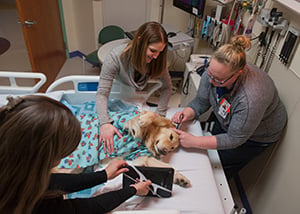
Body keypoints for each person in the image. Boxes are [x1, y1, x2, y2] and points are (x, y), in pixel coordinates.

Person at [0, 95, 151, 214]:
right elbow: (81, 208)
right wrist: (132, 190)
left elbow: (51, 182)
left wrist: (103, 175)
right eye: (60, 155)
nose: (60, 161)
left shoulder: (14, 166)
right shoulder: (23, 203)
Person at [172, 35, 287, 179]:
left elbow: (234, 139)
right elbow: (201, 102)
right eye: (210, 75)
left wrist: (194, 141)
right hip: (228, 116)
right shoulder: (214, 72)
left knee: (219, 166)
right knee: (209, 150)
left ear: (237, 73)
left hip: (256, 135)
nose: (211, 82)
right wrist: (186, 113)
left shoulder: (251, 98)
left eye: (218, 80)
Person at [96, 21, 172, 154]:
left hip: (136, 102)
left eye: (160, 52)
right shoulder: (116, 57)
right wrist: (104, 123)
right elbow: (102, 93)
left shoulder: (158, 60)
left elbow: (167, 88)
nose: (156, 56)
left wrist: (159, 116)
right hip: (116, 99)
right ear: (140, 42)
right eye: (153, 51)